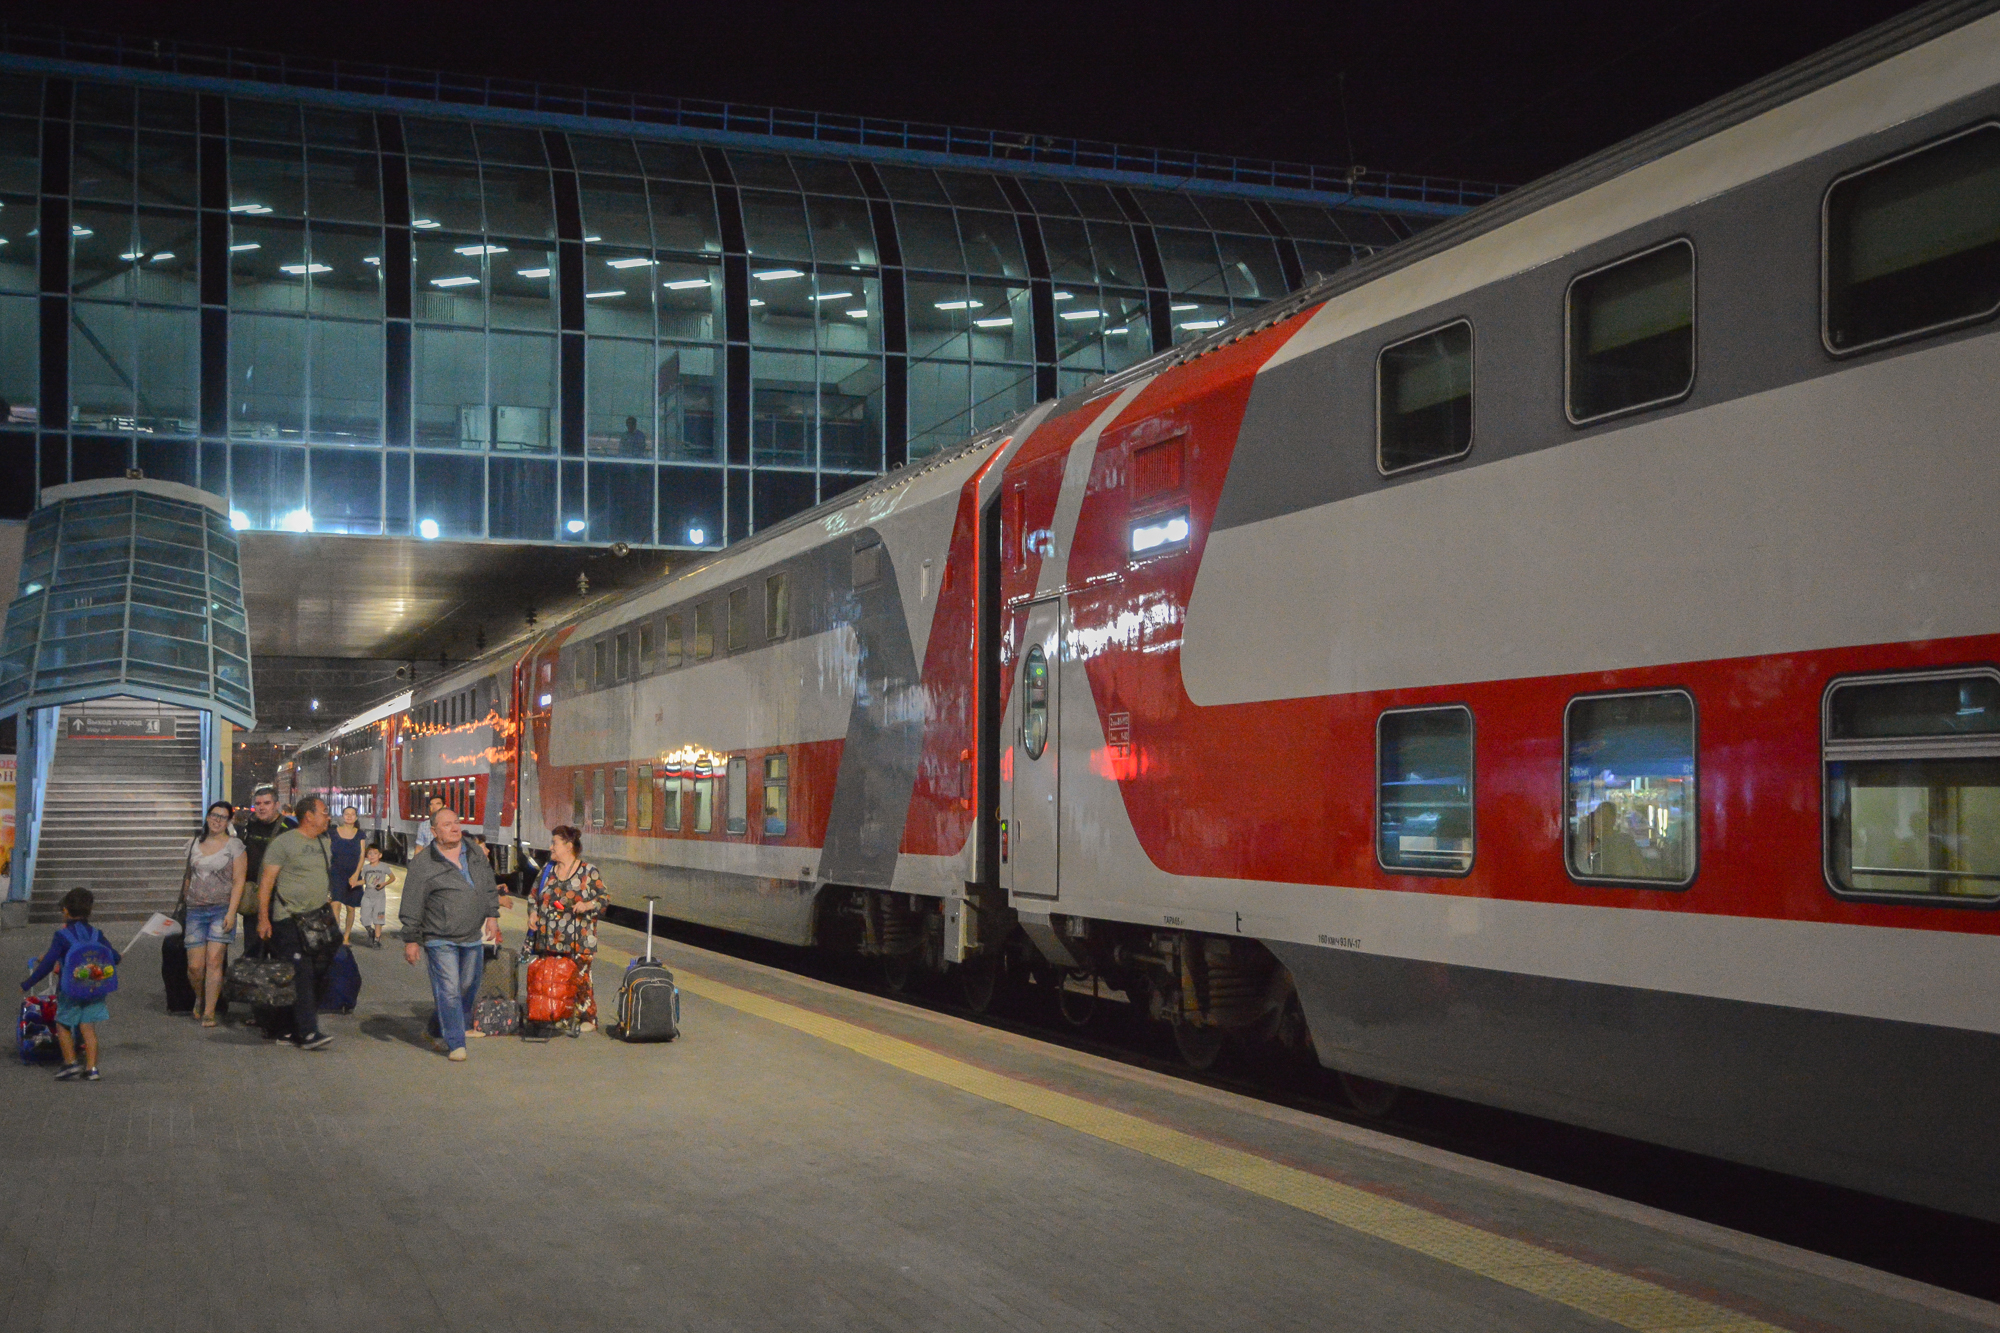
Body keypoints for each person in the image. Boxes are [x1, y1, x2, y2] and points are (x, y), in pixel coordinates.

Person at [401, 808, 506, 1061]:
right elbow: (412, 902)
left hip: (471, 934)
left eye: (456, 822)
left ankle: (436, 1028)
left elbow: (488, 885)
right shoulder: (423, 864)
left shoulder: (474, 852)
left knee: (468, 986)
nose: (455, 827)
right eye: (447, 825)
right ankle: (456, 1043)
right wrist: (411, 939)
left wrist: (492, 916)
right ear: (434, 832)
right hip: (439, 936)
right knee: (449, 989)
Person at [255, 794, 336, 1050]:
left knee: (318, 973)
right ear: (309, 816)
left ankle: (283, 1027)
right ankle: (308, 1032)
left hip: (318, 920)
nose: (328, 816)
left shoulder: (325, 841)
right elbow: (266, 883)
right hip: (288, 919)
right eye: (323, 812)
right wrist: (263, 918)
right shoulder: (284, 843)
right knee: (300, 972)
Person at [21, 887, 119, 1081]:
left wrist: (28, 983)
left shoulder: (62, 936)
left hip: (70, 990)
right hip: (94, 989)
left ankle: (70, 1064)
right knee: (88, 1026)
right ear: (89, 910)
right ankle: (92, 1069)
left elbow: (48, 963)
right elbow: (114, 957)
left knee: (63, 1023)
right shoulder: (96, 933)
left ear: (66, 910)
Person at [524, 825, 608, 1032]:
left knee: (580, 980)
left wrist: (588, 905)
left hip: (579, 938)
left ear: (569, 846)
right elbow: (533, 896)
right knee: (554, 978)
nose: (550, 847)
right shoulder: (548, 870)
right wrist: (533, 913)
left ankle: (588, 1018)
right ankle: (558, 1013)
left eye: (554, 843)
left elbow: (603, 899)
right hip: (549, 937)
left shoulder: (588, 872)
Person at [181, 800, 246, 1027]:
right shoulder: (193, 844)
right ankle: (199, 997)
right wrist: (186, 899)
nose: (217, 820)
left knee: (214, 961)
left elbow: (239, 882)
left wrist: (231, 912)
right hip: (195, 910)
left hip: (221, 909)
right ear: (208, 817)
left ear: (229, 821)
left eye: (222, 817)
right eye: (214, 815)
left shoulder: (235, 846)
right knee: (195, 967)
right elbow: (188, 876)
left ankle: (209, 1010)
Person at [235, 786, 295, 961]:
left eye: (267, 803)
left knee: (281, 957)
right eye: (258, 803)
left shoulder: (290, 828)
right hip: (254, 899)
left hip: (281, 902)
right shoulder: (249, 826)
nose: (261, 807)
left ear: (276, 804)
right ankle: (256, 987)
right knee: (253, 955)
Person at [329, 806, 366, 945]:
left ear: (356, 817)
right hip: (336, 872)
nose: (349, 816)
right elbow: (328, 852)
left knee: (350, 907)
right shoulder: (333, 832)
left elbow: (362, 855)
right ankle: (336, 936)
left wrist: (356, 874)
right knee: (336, 904)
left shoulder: (360, 834)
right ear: (342, 816)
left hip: (353, 874)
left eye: (352, 814)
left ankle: (346, 936)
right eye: (346, 814)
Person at [354, 843, 393, 948]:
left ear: (380, 855)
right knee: (364, 917)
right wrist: (355, 883)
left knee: (378, 919)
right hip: (367, 896)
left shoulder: (384, 867)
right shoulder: (366, 868)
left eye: (375, 853)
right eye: (369, 853)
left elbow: (392, 878)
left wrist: (384, 884)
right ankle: (370, 930)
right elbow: (365, 880)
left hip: (380, 898)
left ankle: (377, 939)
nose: (372, 856)